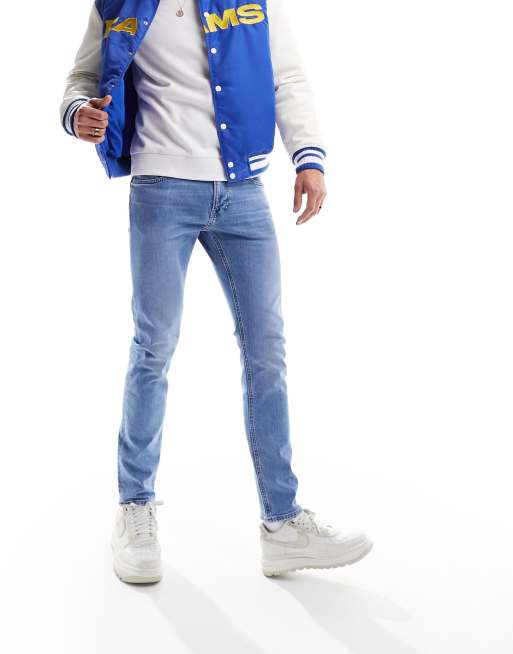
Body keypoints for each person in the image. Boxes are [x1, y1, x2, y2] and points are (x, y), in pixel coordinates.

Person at [59, 0, 372, 583]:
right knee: (154, 346)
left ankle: (282, 524)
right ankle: (134, 510)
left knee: (267, 351)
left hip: (243, 191)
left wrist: (308, 157)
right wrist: (78, 112)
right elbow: (81, 77)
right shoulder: (116, 3)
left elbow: (287, 76)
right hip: (161, 188)